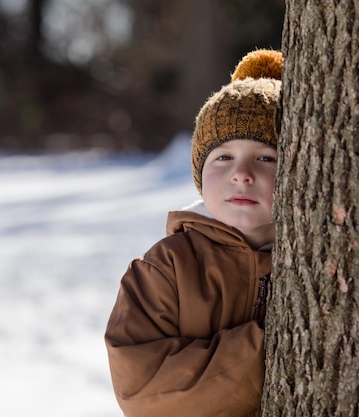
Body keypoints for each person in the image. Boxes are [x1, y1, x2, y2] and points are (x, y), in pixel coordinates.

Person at [104, 49, 284, 417]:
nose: (242, 174)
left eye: (267, 157)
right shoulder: (165, 267)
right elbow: (144, 391)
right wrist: (272, 345)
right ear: (200, 176)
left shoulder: (321, 259)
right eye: (223, 157)